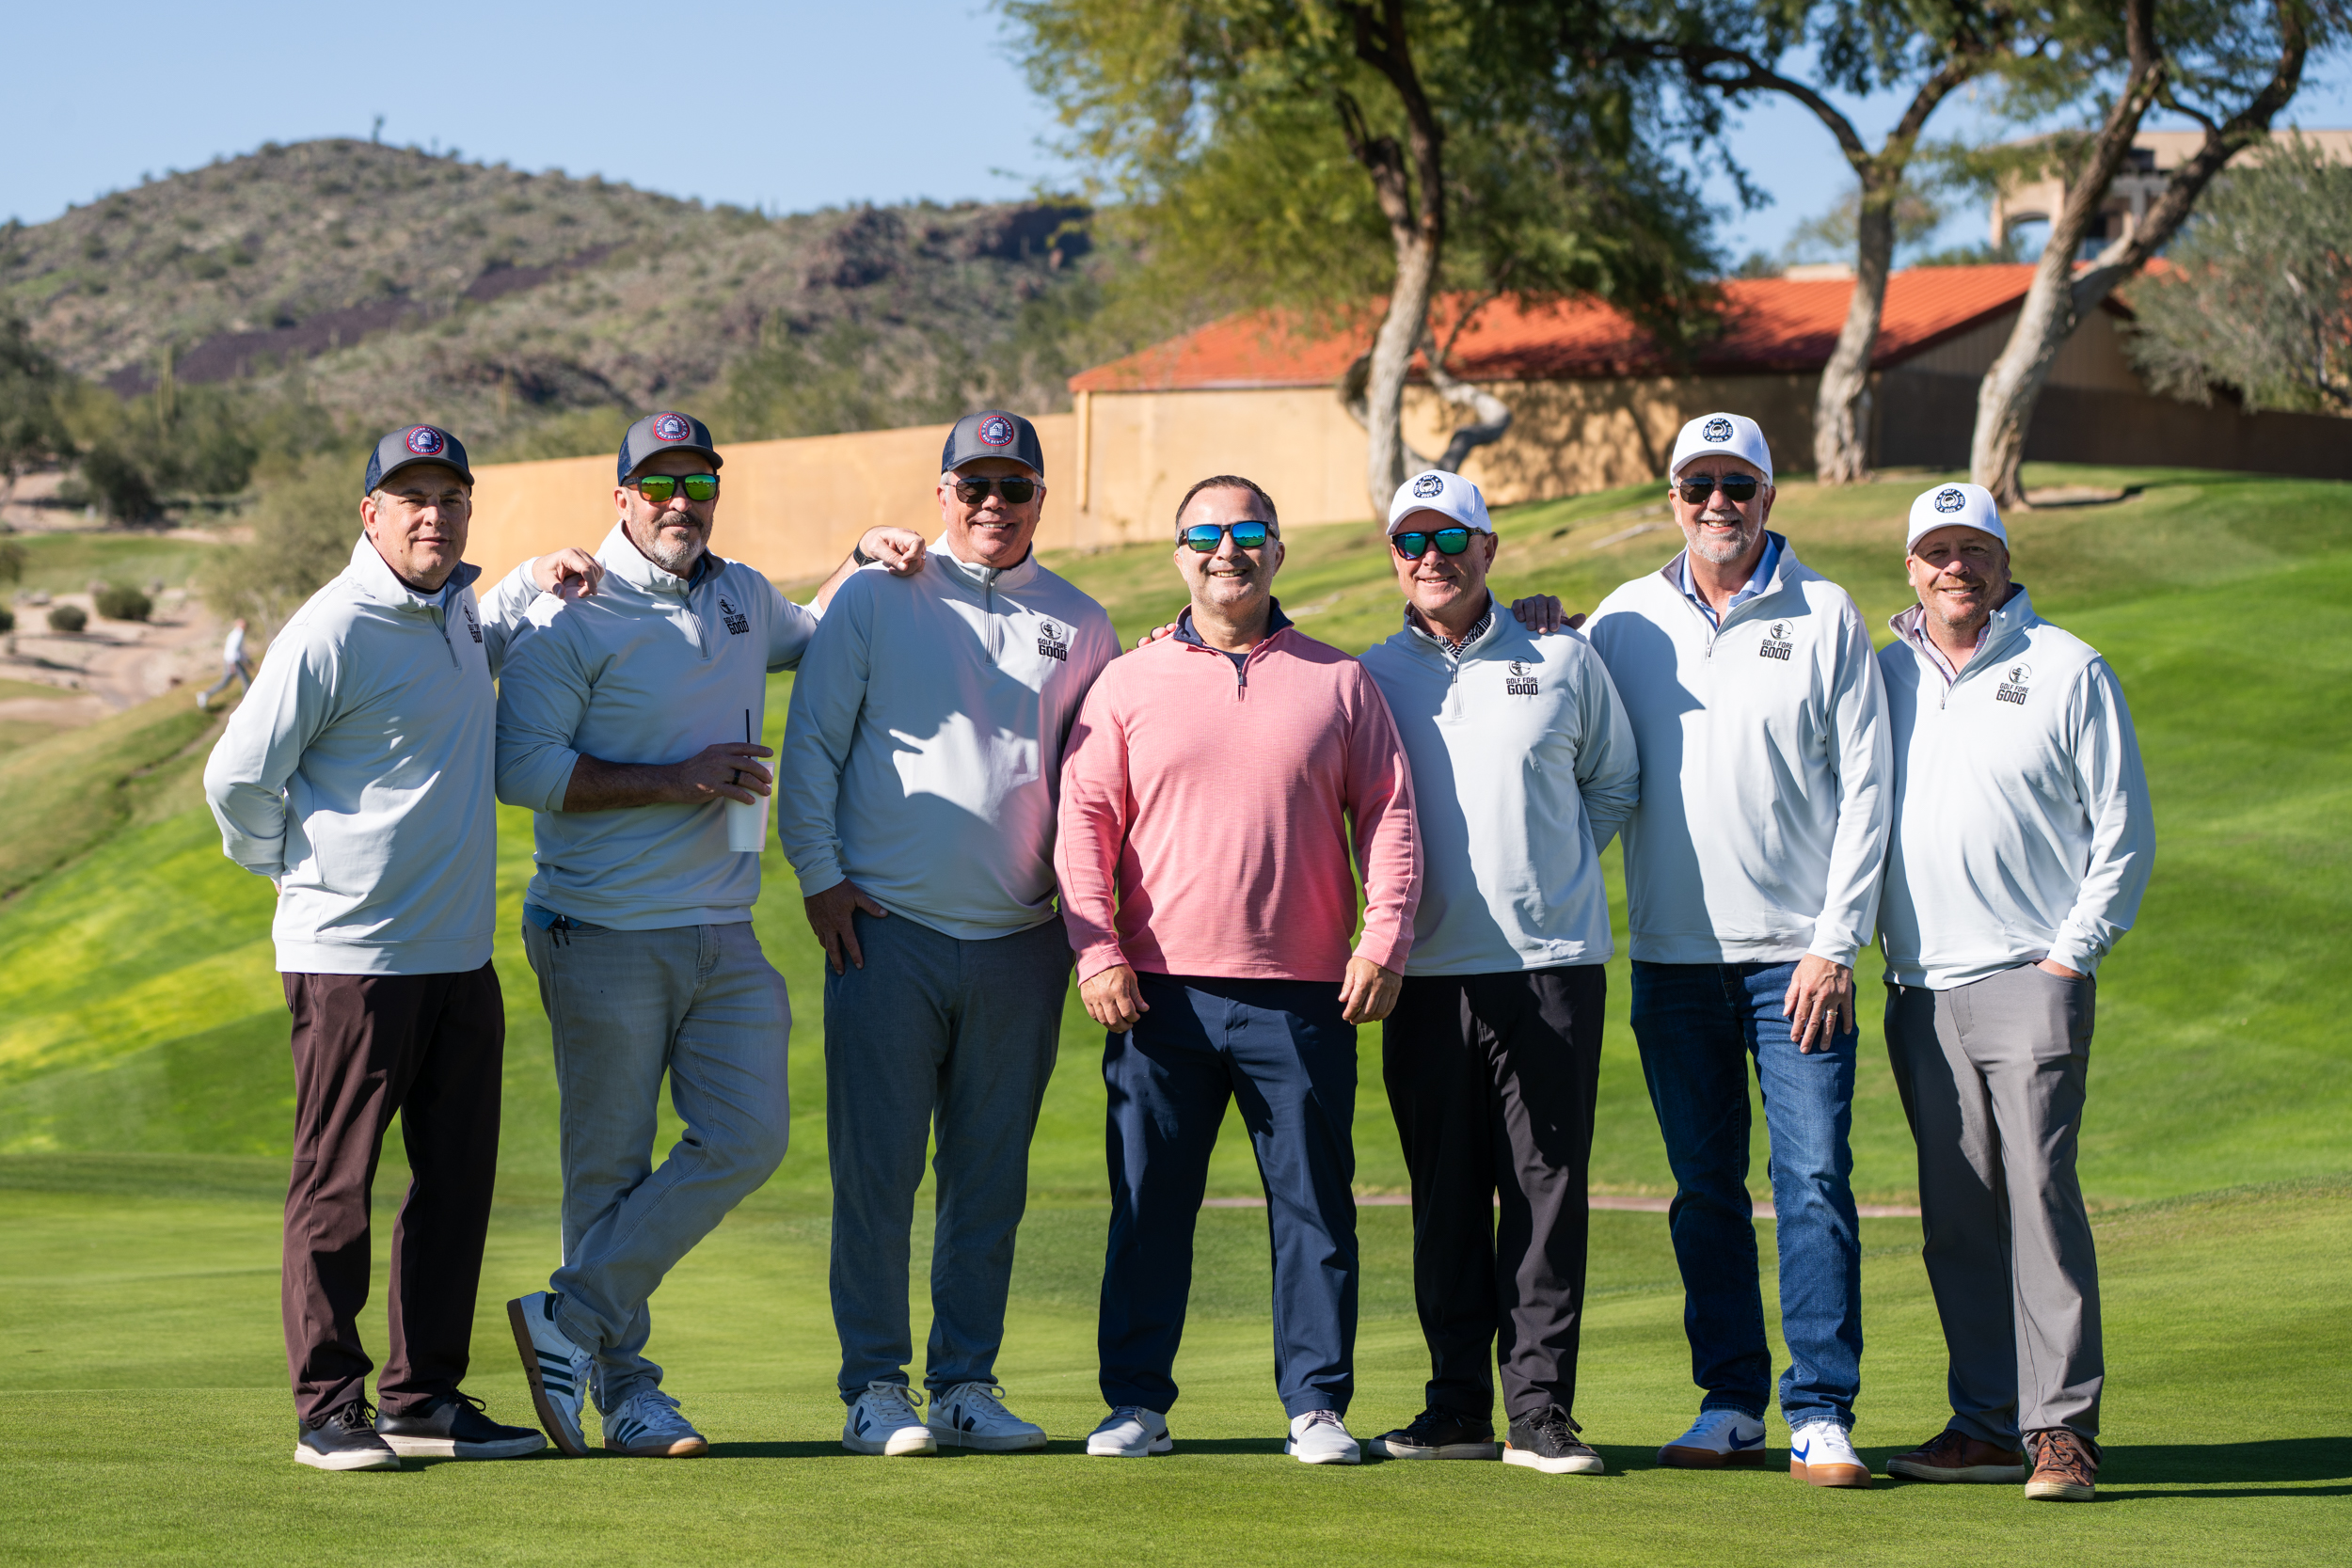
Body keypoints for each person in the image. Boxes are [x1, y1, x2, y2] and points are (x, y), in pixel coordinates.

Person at [497, 410, 926, 1461]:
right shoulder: (570, 612)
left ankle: (568, 1318)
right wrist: (675, 781)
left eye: (697, 482)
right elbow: (523, 768)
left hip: (722, 928)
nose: (679, 501)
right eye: (658, 484)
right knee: (606, 1169)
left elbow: (812, 629)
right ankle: (628, 1393)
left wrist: (860, 554)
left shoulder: (739, 594)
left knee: (749, 1135)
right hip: (601, 924)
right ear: (622, 497)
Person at [201, 423, 603, 1471]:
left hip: (457, 955)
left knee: (456, 1183)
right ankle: (329, 1408)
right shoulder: (332, 627)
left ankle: (422, 1400)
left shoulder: (456, 610)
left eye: (450, 497)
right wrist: (289, 869)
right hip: (352, 956)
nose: (434, 514)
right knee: (337, 1183)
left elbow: (481, 636)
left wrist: (533, 578)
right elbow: (236, 776)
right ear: (370, 514)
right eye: (411, 498)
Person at [1057, 474, 1421, 1466]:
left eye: (1249, 530)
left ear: (1277, 551)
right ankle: (1137, 1401)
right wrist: (1096, 950)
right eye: (1207, 533)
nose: (1229, 549)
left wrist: (1382, 939)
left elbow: (1388, 815)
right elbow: (1084, 823)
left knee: (1314, 1209)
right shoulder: (1127, 682)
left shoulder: (1339, 680)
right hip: (1157, 992)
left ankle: (1316, 1404)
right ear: (1180, 554)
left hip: (1302, 993)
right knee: (1149, 1206)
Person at [776, 409, 1119, 1457]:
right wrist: (820, 878)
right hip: (888, 931)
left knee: (989, 1180)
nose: (992, 504)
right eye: (974, 485)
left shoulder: (1081, 621)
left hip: (1021, 939)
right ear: (942, 494)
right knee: (877, 1176)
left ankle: (965, 1382)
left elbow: (1100, 780)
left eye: (1014, 487)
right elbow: (812, 743)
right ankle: (875, 1387)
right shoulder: (878, 596)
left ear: (1040, 500)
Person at [1583, 412, 1891, 1489]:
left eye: (1737, 484)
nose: (1717, 502)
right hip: (1672, 959)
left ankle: (1820, 1408)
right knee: (1703, 1186)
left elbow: (1868, 787)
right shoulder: (1623, 619)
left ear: (1769, 495)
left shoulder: (1824, 611)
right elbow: (1563, 713)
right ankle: (1728, 1402)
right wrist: (1536, 620)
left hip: (1796, 961)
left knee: (1810, 1177)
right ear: (1671, 497)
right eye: (1697, 484)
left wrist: (1834, 943)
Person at [1355, 470, 1640, 1477]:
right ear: (1395, 558)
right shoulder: (1368, 674)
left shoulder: (1561, 655)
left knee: (1544, 1191)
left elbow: (1612, 781)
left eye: (1451, 539)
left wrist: (1552, 869)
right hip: (1423, 973)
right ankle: (1456, 1406)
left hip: (1549, 967)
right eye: (1413, 542)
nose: (1432, 558)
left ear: (1489, 548)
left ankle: (1540, 1409)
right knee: (1444, 1195)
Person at [1875, 483, 2153, 1504]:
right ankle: (1988, 1422)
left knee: (2039, 1205)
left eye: (1973, 549)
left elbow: (2122, 829)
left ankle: (2061, 1430)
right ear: (1912, 567)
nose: (1956, 567)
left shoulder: (2066, 666)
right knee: (1954, 1218)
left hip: (2031, 972)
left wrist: (2070, 957)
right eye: (1937, 551)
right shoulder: (1881, 673)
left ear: (2003, 559)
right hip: (1918, 987)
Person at [198, 617, 253, 709]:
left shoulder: (236, 633)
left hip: (232, 661)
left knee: (226, 682)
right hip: (234, 662)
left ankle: (205, 694)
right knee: (246, 682)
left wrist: (248, 661)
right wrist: (232, 665)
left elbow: (240, 651)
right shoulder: (238, 633)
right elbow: (233, 650)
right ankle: (246, 704)